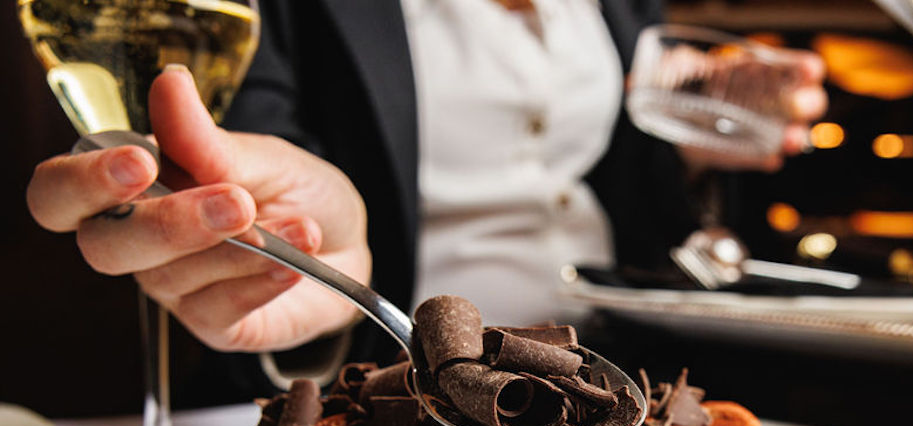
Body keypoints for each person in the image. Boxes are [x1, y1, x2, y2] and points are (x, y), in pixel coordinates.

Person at [25, 0, 826, 393]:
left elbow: (606, 183)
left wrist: (688, 143)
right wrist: (306, 257)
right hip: (407, 385)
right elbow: (258, 169)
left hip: (626, 376)